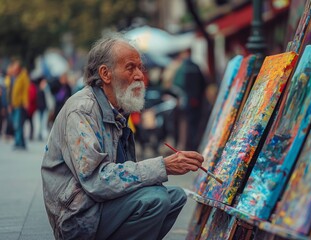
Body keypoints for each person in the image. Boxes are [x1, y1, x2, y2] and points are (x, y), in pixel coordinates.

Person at [41, 34, 204, 240]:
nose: (139, 76)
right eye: (130, 68)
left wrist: (159, 171)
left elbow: (120, 174)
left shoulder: (117, 109)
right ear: (105, 74)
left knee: (175, 197)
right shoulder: (82, 110)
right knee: (156, 200)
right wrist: (163, 166)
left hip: (101, 205)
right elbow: (96, 180)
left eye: (140, 68)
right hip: (79, 217)